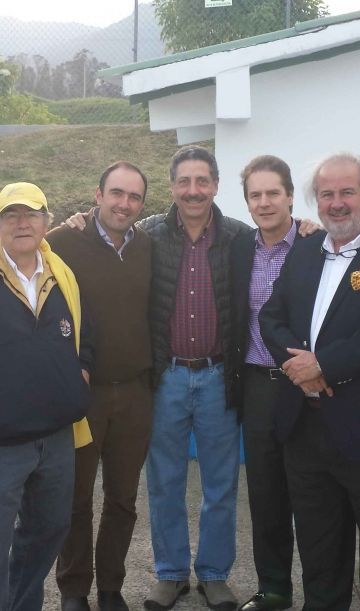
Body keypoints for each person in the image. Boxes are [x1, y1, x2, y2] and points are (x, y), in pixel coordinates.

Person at [260, 152, 360, 611]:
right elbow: (272, 316)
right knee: (318, 552)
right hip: (306, 431)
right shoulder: (305, 250)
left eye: (346, 191)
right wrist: (300, 368)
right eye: (326, 193)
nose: (336, 203)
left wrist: (324, 366)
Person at [0, 181, 93, 611]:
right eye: (11, 215)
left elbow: (85, 332)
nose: (22, 223)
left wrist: (80, 374)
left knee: (48, 532)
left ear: (47, 221)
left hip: (58, 435)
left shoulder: (62, 274)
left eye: (31, 214)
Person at [140, 146, 251, 611]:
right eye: (184, 182)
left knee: (220, 484)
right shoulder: (148, 235)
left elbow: (290, 241)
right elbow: (97, 237)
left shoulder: (240, 237)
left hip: (218, 377)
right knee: (163, 481)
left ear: (216, 185)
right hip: (165, 378)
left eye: (202, 181)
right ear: (172, 187)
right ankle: (170, 574)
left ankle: (213, 574)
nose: (193, 191)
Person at [52, 162, 154, 611]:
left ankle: (111, 587)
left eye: (133, 197)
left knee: (123, 499)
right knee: (75, 499)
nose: (124, 204)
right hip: (82, 394)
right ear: (97, 195)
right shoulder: (62, 241)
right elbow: (13, 252)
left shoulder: (148, 246)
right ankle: (74, 590)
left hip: (135, 393)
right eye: (116, 193)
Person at [228, 155, 300, 611]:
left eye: (274, 192)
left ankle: (324, 590)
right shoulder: (240, 248)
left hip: (305, 389)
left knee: (313, 495)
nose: (265, 201)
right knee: (266, 495)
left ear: (290, 196)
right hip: (256, 386)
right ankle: (274, 589)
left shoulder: (316, 244)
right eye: (256, 194)